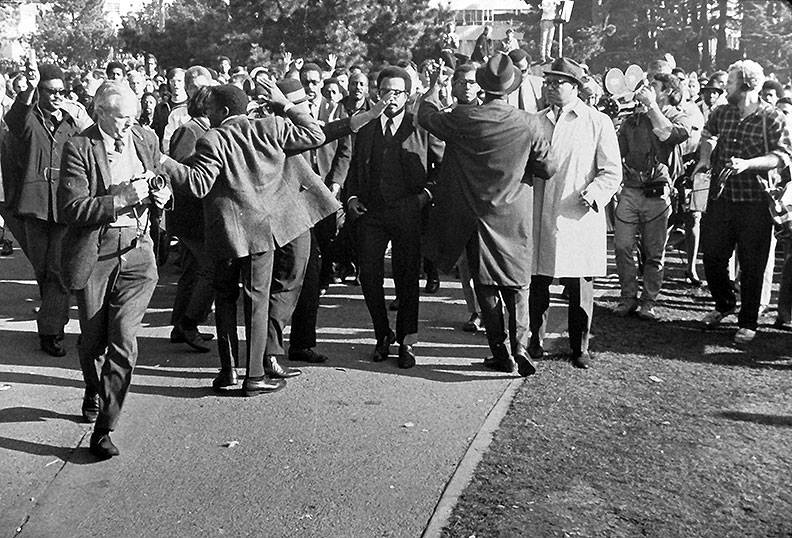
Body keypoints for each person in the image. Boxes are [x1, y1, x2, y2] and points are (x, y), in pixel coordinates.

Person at [159, 83, 326, 395]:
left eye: (209, 110)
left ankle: (228, 371)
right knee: (257, 301)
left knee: (224, 299)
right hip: (263, 232)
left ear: (223, 111)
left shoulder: (213, 139)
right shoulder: (271, 127)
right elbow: (315, 134)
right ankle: (254, 376)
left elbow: (196, 185)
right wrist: (286, 106)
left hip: (225, 233)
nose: (205, 115)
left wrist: (163, 162)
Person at [419, 54, 554, 376]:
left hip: (475, 216)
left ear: (482, 86)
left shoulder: (464, 118)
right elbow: (548, 169)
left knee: (487, 286)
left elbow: (425, 115)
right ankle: (521, 345)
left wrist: (434, 85)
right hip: (515, 214)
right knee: (519, 284)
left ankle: (501, 352)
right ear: (511, 87)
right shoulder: (530, 122)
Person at [58, 81, 172, 459]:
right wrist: (120, 199)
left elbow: (160, 176)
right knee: (93, 342)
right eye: (122, 118)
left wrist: (162, 195)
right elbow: (71, 209)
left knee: (123, 338)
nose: (129, 125)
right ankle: (94, 386)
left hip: (138, 252)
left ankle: (105, 428)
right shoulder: (78, 147)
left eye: (133, 117)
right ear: (100, 113)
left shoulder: (146, 137)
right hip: (97, 253)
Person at [345, 66, 443, 369]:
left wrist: (426, 196)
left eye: (398, 92)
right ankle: (382, 334)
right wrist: (351, 198)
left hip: (408, 211)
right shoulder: (366, 126)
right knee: (370, 276)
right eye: (385, 91)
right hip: (371, 212)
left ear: (409, 94)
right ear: (377, 92)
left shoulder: (421, 126)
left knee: (407, 278)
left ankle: (407, 341)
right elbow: (351, 166)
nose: (391, 98)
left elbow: (441, 167)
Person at [530, 57, 622, 369]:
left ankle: (579, 345)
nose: (551, 87)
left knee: (580, 283)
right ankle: (535, 340)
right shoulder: (536, 121)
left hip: (577, 214)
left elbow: (611, 172)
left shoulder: (597, 122)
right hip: (539, 211)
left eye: (558, 82)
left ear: (576, 87)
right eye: (548, 82)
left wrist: (594, 193)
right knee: (538, 280)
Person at [694, 60, 792, 344]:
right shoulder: (722, 112)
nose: (725, 86)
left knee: (752, 265)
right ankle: (724, 304)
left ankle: (748, 322)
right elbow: (708, 135)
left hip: (756, 203)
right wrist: (704, 158)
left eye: (730, 82)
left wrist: (748, 164)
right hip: (722, 198)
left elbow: (782, 156)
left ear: (746, 85)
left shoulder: (772, 117)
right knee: (712, 256)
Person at [3, 59, 82, 357]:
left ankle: (52, 330)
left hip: (64, 204)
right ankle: (51, 319)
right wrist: (30, 86)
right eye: (50, 90)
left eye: (61, 91)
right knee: (43, 270)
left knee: (57, 270)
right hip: (35, 206)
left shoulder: (71, 123)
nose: (56, 96)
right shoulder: (27, 118)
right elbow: (16, 116)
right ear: (40, 92)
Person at [613, 73, 692, 320]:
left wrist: (652, 107)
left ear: (667, 91)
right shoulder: (633, 120)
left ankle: (649, 301)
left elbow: (670, 135)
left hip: (658, 195)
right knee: (622, 246)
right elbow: (617, 151)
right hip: (631, 190)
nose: (646, 88)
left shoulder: (678, 116)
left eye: (653, 86)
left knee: (653, 251)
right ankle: (627, 297)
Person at [167, 86, 216, 354]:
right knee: (210, 269)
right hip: (191, 216)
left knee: (192, 271)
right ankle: (189, 324)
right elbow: (179, 170)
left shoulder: (201, 131)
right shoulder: (190, 131)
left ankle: (180, 326)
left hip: (194, 216)